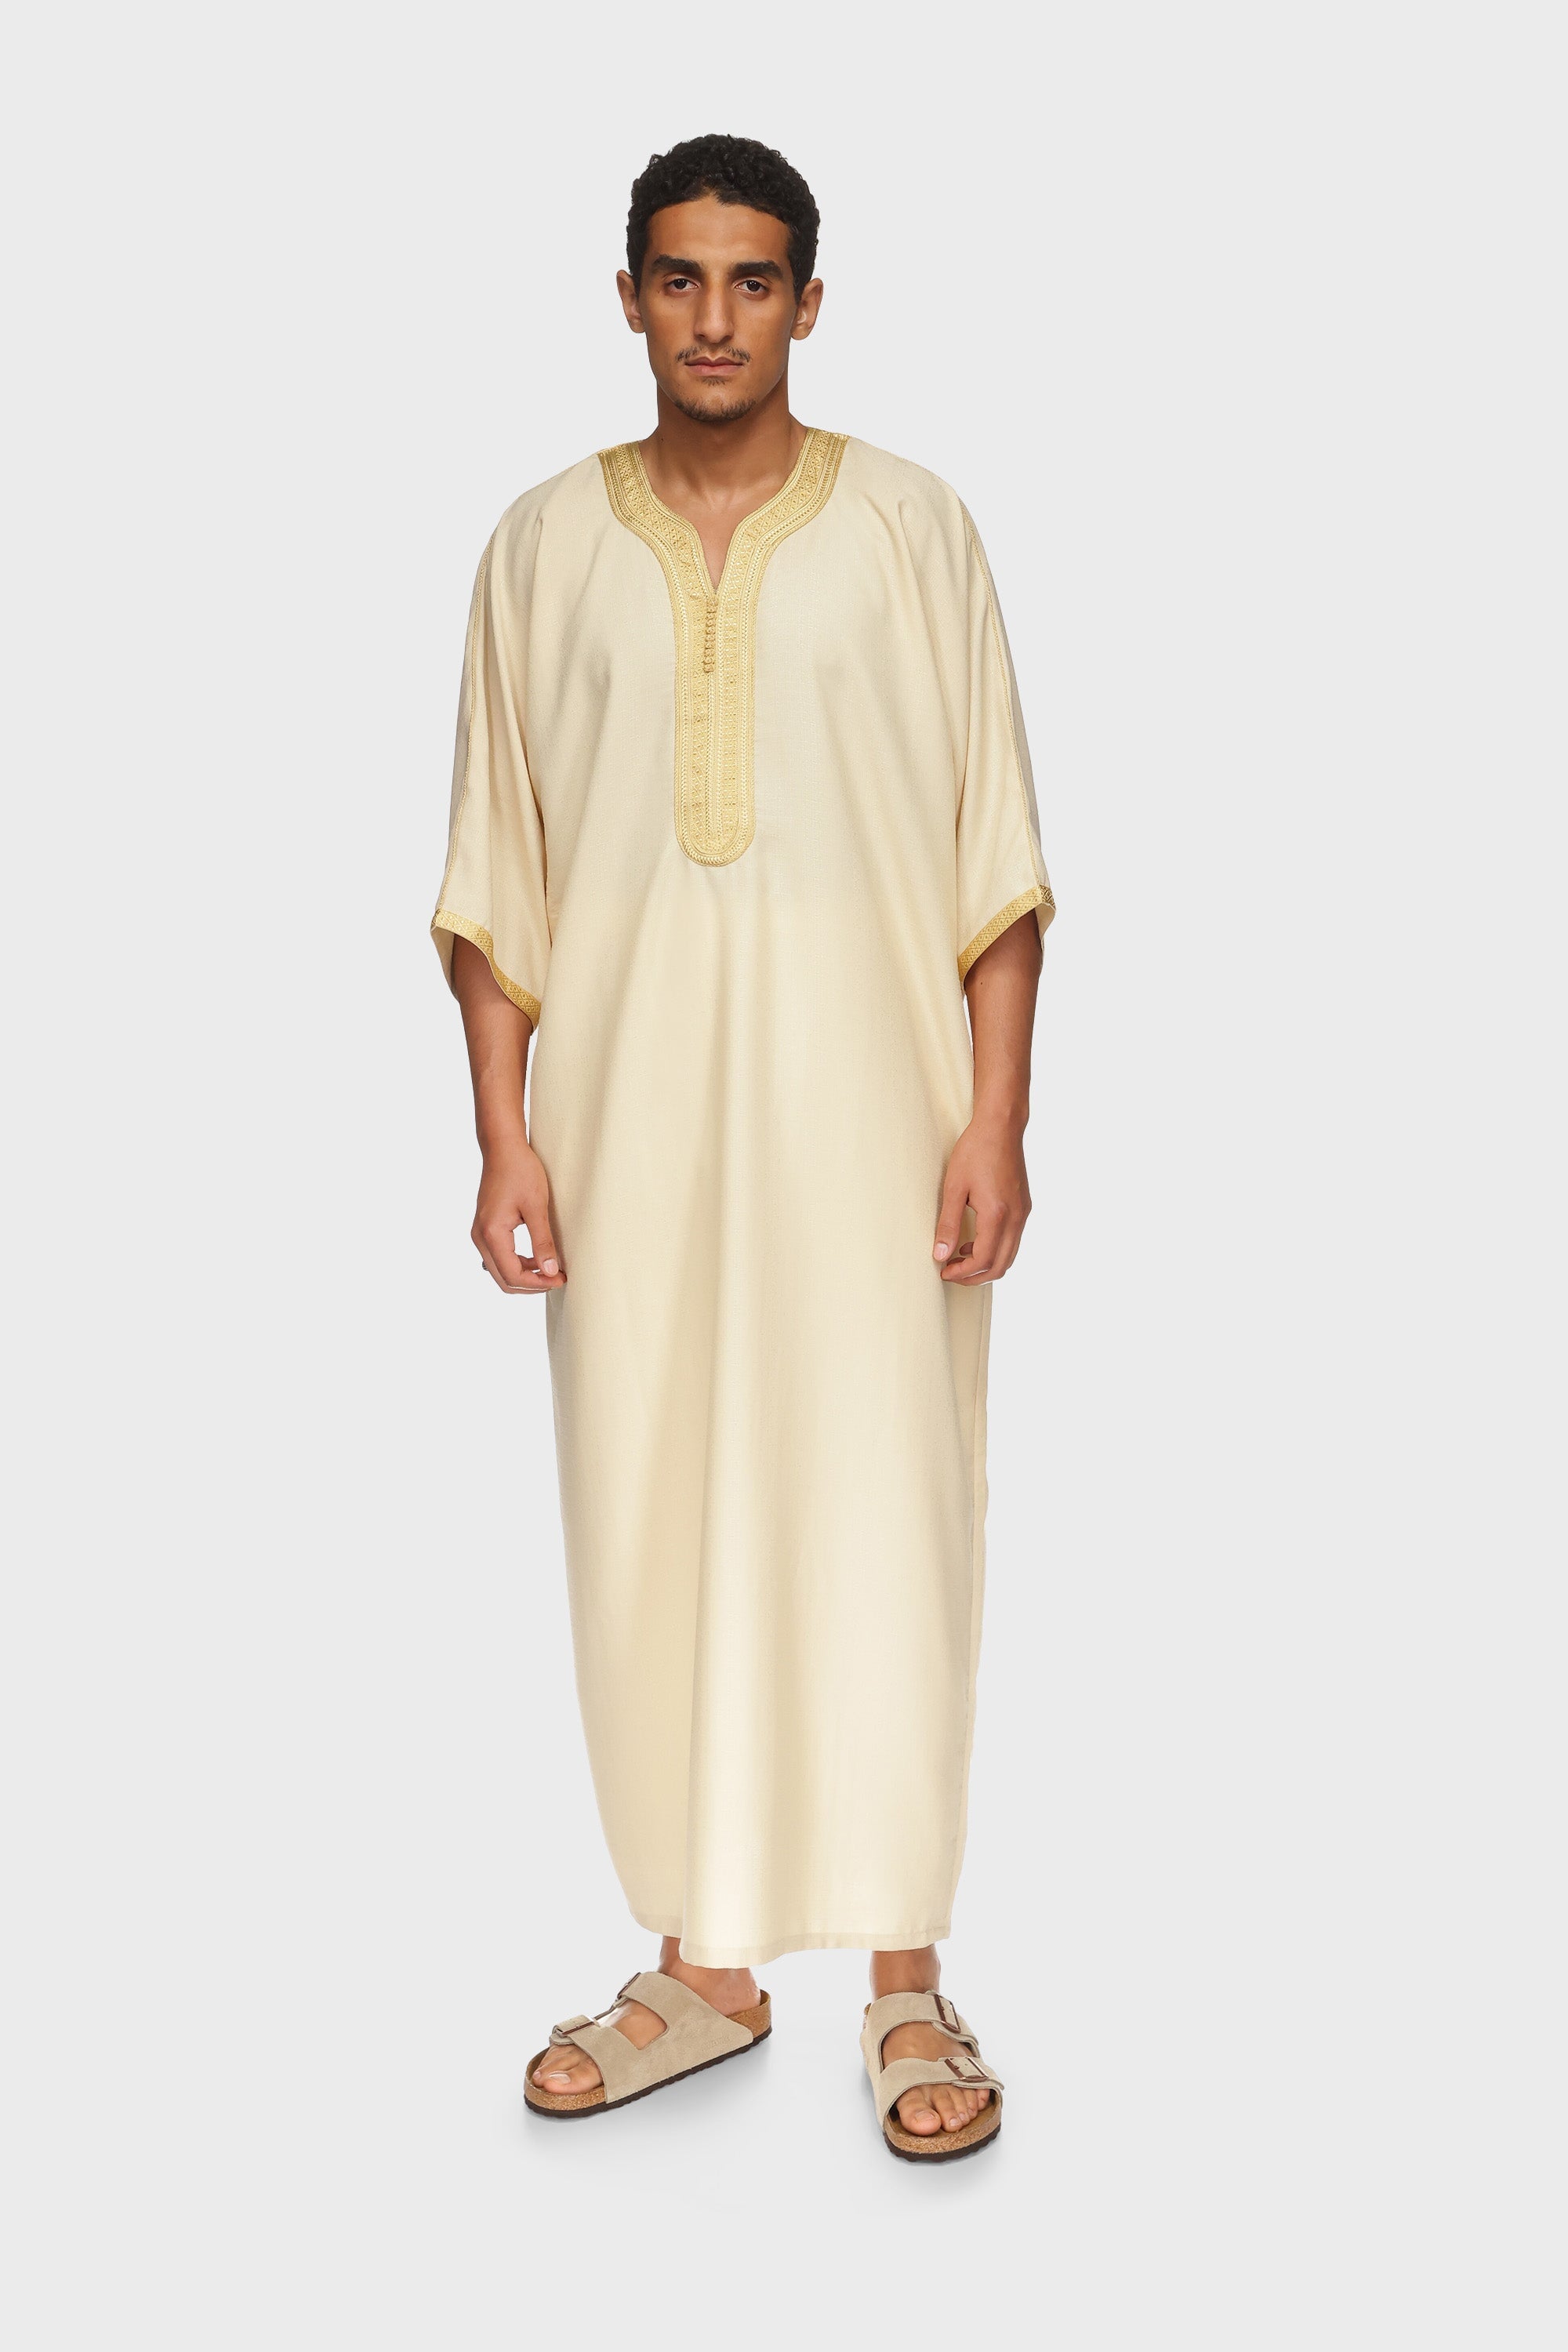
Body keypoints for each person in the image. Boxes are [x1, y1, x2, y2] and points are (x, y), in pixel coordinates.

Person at [433, 132, 1052, 2161]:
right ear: (629, 297)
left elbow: (992, 854)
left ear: (808, 300)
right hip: (630, 1133)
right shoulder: (541, 546)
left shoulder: (915, 530)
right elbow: (498, 871)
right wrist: (506, 1135)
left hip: (879, 1124)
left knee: (885, 1513)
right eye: (681, 279)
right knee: (656, 1509)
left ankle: (905, 1981)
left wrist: (997, 1118)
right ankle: (702, 1969)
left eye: (754, 279)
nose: (717, 317)